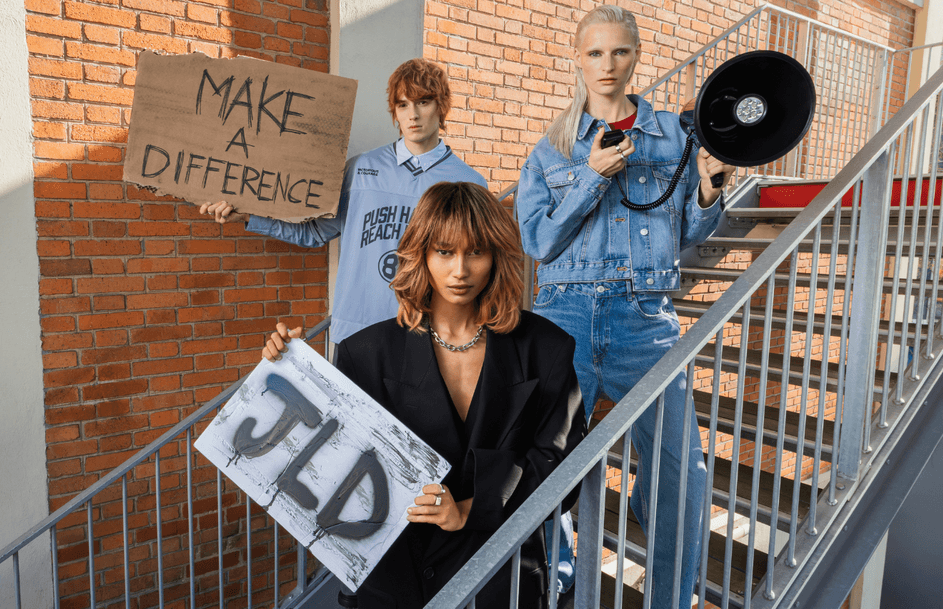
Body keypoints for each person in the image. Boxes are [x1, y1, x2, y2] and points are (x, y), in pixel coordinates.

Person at [261, 182, 587, 608]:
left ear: (497, 256)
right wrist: (293, 370)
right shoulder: (364, 353)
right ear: (421, 255)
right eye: (445, 252)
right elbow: (333, 462)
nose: (460, 271)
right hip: (395, 581)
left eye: (476, 252)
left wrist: (471, 507)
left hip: (499, 576)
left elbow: (561, 466)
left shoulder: (547, 347)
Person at [515, 6, 737, 609]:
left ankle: (670, 597)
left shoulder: (672, 136)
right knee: (544, 468)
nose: (606, 66)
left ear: (636, 56)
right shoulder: (554, 147)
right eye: (594, 53)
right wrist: (589, 177)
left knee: (683, 473)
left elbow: (685, 232)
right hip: (564, 316)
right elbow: (537, 242)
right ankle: (554, 582)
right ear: (578, 59)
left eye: (619, 53)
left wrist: (712, 189)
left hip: (646, 319)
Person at [202, 59, 487, 345]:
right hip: (357, 333)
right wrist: (250, 218)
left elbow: (478, 271)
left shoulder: (469, 184)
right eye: (402, 105)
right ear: (395, 112)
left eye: (423, 102)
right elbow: (313, 233)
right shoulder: (361, 168)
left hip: (428, 335)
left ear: (441, 106)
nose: (412, 115)